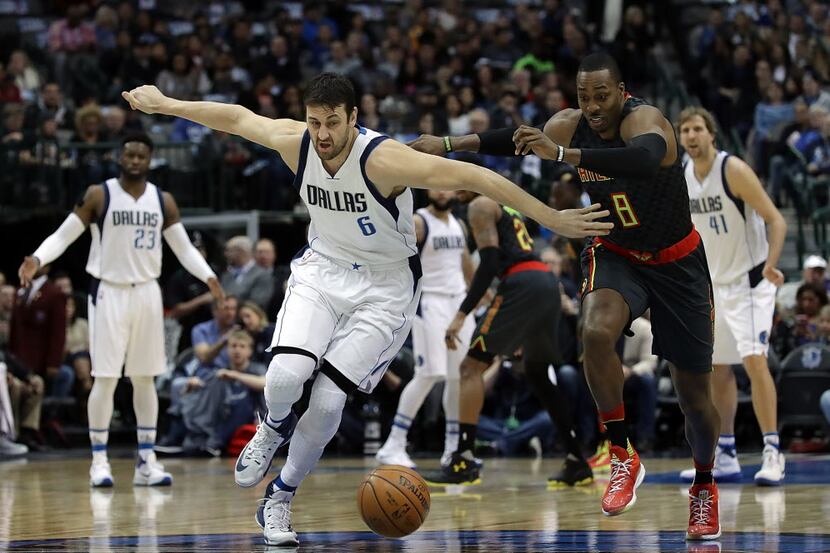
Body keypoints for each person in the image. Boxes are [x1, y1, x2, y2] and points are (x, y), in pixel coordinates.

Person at [121, 72, 610, 546]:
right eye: (315, 122)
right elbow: (236, 117)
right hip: (323, 269)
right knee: (286, 378)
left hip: (386, 287)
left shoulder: (384, 160)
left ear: (353, 117)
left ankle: (281, 495)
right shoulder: (298, 143)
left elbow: (474, 175)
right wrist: (167, 105)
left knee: (329, 402)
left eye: (333, 122)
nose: (324, 133)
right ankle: (271, 428)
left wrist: (550, 218)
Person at [411, 53, 721, 540]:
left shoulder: (647, 121)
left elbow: (640, 159)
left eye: (602, 96)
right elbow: (514, 141)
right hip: (615, 250)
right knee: (594, 332)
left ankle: (704, 483)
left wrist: (563, 157)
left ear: (621, 91)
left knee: (694, 399)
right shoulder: (567, 126)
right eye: (584, 97)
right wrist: (447, 143)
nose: (594, 106)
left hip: (676, 262)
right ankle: (621, 453)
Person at [18, 133, 223, 489]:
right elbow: (64, 235)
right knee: (106, 378)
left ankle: (147, 460)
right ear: (120, 156)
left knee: (144, 378)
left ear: (150, 159)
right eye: (129, 154)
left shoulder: (163, 200)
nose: (134, 160)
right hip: (109, 291)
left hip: (147, 291)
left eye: (141, 155)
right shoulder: (100, 193)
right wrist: (37, 257)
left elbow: (184, 249)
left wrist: (209, 277)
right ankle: (99, 460)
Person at [421, 187, 593, 488]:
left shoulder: (479, 205)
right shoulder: (506, 206)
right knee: (538, 374)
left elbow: (488, 264)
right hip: (545, 283)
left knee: (469, 368)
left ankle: (463, 459)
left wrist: (462, 313)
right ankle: (577, 459)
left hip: (521, 282)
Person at [677, 106, 788, 486]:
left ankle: (773, 450)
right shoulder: (684, 175)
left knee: (754, 361)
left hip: (750, 281)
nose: (691, 136)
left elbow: (776, 218)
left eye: (697, 129)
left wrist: (771, 265)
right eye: (685, 130)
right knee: (718, 369)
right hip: (714, 285)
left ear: (711, 134)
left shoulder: (733, 170)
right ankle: (724, 453)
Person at [375, 189, 476, 469]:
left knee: (458, 377)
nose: (443, 191)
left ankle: (453, 448)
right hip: (429, 301)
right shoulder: (419, 221)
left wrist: (482, 297)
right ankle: (393, 443)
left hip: (458, 303)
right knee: (430, 373)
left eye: (448, 186)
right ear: (427, 189)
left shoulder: (459, 223)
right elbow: (397, 257)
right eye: (436, 186)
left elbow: (465, 262)